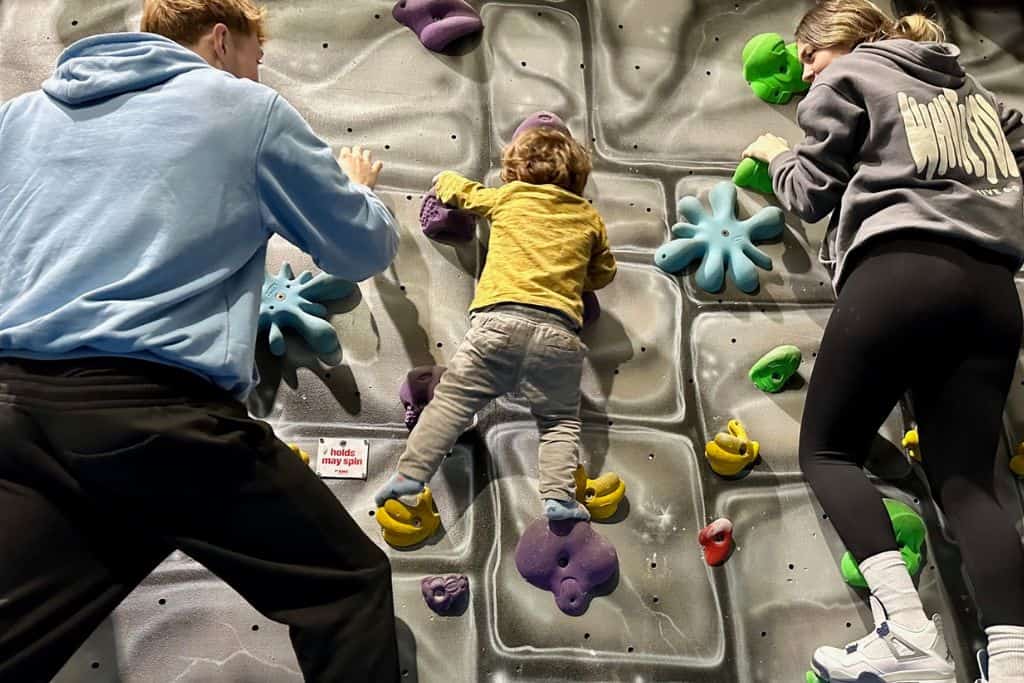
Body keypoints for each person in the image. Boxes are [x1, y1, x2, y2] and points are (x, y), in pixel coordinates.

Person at [0, 0, 404, 681]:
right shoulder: (243, 110)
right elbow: (358, 246)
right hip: (154, 422)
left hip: (16, 413)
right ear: (221, 40)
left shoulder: (19, 119)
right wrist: (362, 192)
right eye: (255, 58)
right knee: (344, 585)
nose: (254, 74)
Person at [743, 2, 1024, 681]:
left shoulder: (853, 79)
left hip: (901, 272)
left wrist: (777, 157)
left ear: (844, 40)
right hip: (994, 292)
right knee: (970, 486)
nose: (806, 74)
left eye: (809, 55)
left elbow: (810, 194)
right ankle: (1014, 663)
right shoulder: (975, 94)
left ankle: (905, 635)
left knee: (827, 449)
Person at [374, 126, 617, 522]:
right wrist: (572, 276)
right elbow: (604, 272)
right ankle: (557, 498)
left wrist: (444, 180)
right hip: (558, 336)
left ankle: (411, 475)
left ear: (514, 170)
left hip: (497, 325)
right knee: (558, 423)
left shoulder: (509, 197)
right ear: (577, 176)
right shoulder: (588, 217)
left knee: (451, 403)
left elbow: (464, 194)